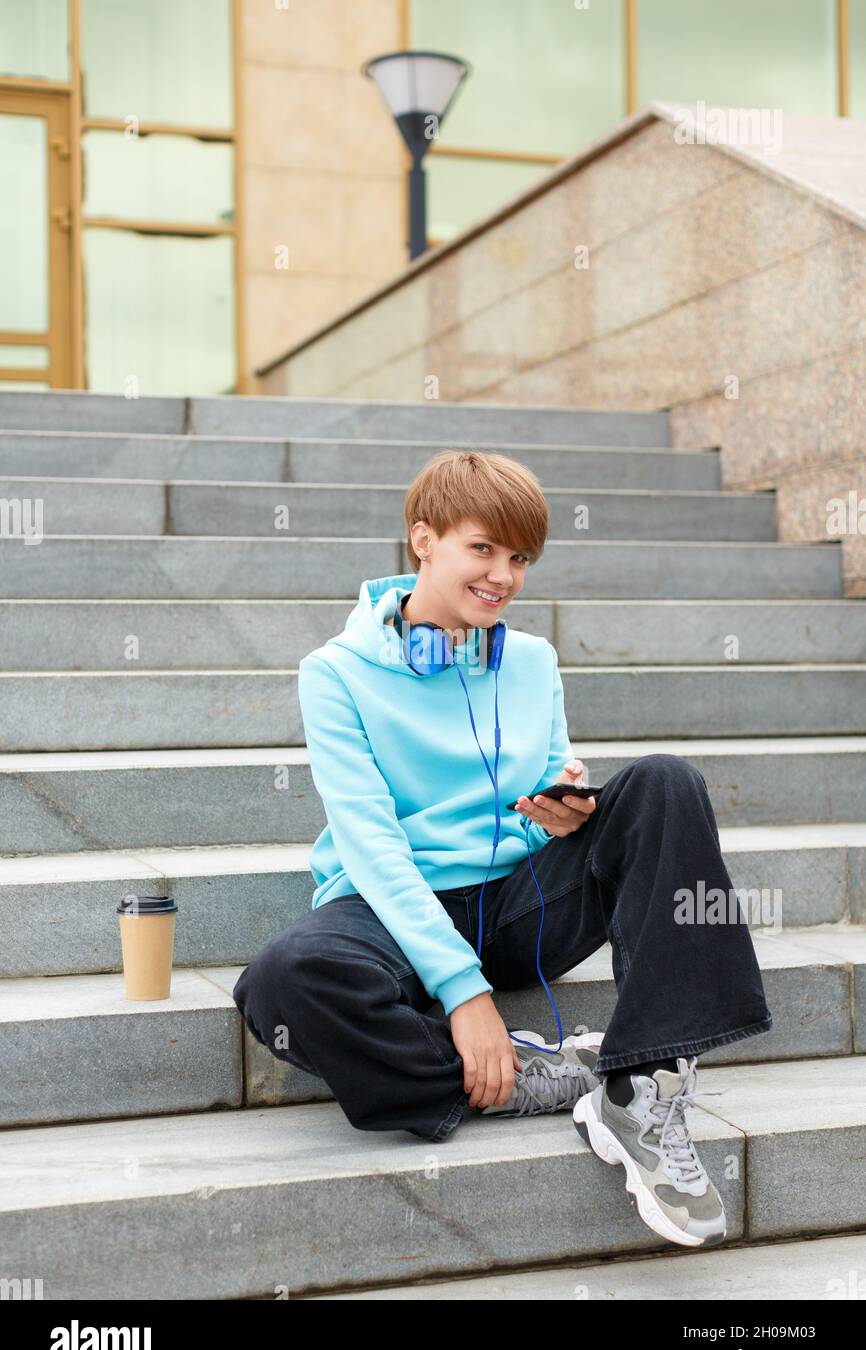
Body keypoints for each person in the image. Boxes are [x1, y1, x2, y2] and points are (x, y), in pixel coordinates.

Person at [232, 449, 773, 1248]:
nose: (504, 576)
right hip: (392, 910)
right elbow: (371, 842)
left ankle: (644, 1084)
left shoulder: (531, 660)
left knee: (665, 782)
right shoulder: (335, 674)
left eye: (519, 558)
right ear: (423, 539)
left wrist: (557, 815)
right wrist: (464, 995)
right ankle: (522, 1077)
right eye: (482, 549)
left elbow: (541, 788)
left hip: (517, 904)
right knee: (283, 982)